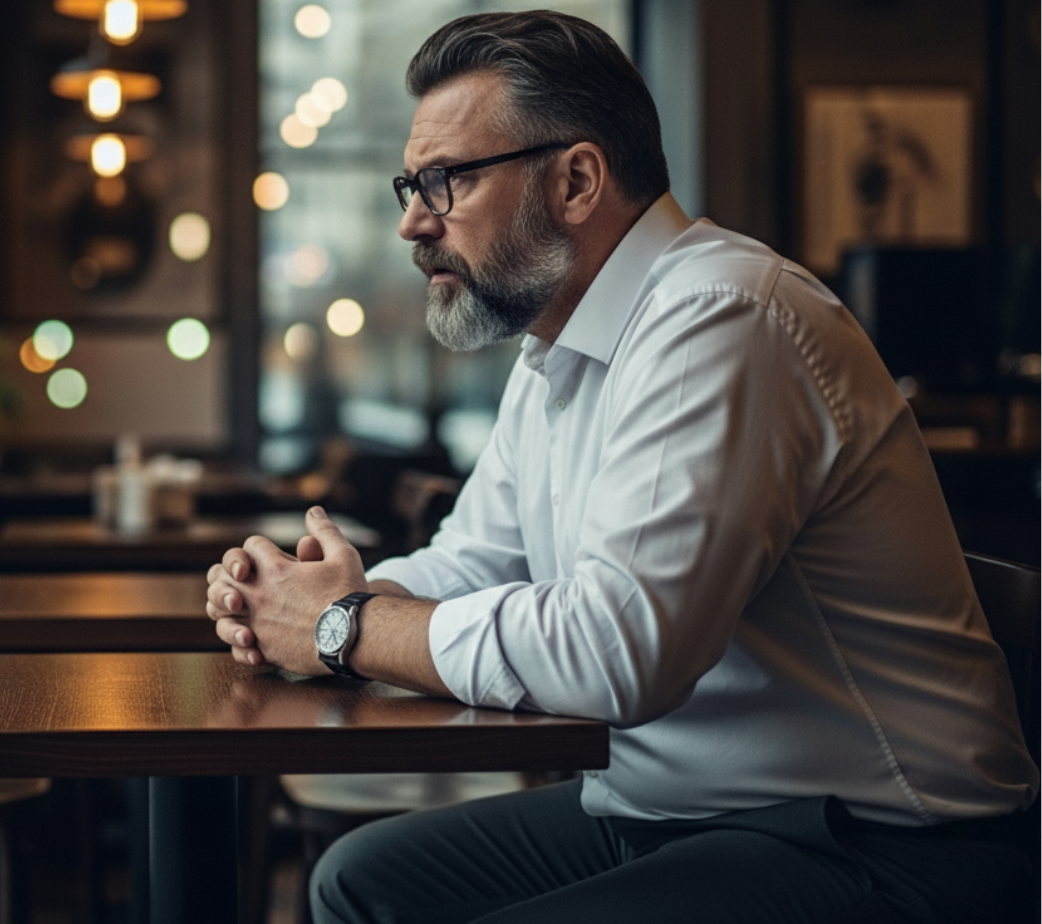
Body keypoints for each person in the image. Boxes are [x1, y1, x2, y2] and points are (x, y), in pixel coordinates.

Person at [205, 11, 1037, 923]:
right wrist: (305, 603)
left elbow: (619, 650)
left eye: (445, 182)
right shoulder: (556, 348)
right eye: (412, 184)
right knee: (360, 881)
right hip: (681, 812)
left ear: (577, 179)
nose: (412, 221)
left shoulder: (723, 318)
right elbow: (480, 562)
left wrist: (344, 631)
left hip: (881, 841)